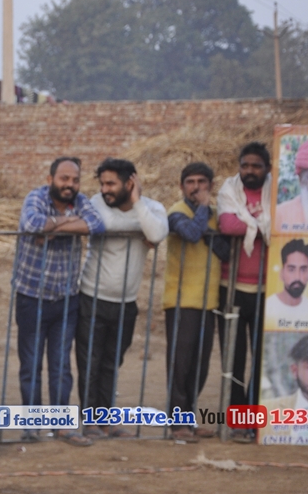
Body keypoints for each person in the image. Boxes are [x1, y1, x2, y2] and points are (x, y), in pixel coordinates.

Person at [15, 156, 106, 447]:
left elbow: (96, 224)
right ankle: (31, 425)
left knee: (61, 366)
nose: (70, 185)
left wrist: (52, 228)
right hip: (31, 296)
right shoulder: (36, 197)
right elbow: (32, 223)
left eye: (75, 180)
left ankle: (61, 426)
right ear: (51, 179)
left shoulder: (80, 201)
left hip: (66, 299)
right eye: (64, 178)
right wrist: (70, 224)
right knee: (31, 365)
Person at [75, 158, 168, 437]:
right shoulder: (96, 203)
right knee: (90, 364)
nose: (105, 189)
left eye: (111, 184)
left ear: (130, 183)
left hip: (127, 302)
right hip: (92, 298)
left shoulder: (151, 207)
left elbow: (157, 232)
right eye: (102, 183)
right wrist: (140, 227)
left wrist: (138, 204)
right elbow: (104, 223)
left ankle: (106, 420)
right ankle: (90, 421)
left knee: (111, 363)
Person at [163, 162, 230, 442]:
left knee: (199, 366)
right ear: (181, 186)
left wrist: (210, 221)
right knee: (180, 365)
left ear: (210, 186)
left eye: (202, 182)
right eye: (190, 182)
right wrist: (203, 209)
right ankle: (177, 424)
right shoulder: (176, 212)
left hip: (207, 300)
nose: (196, 187)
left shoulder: (215, 216)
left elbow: (225, 251)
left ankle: (188, 419)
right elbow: (190, 233)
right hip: (181, 301)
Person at [217, 141, 272, 423]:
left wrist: (249, 225)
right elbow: (227, 225)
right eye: (245, 165)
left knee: (263, 357)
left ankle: (256, 419)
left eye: (256, 166)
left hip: (269, 291)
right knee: (234, 359)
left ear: (268, 169)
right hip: (232, 289)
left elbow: (287, 223)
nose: (250, 171)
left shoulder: (278, 193)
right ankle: (238, 420)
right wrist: (264, 226)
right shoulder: (229, 191)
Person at [264, 239, 308, 331]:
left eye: (303, 269)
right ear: (282, 273)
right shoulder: (268, 307)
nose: (297, 277)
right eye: (291, 269)